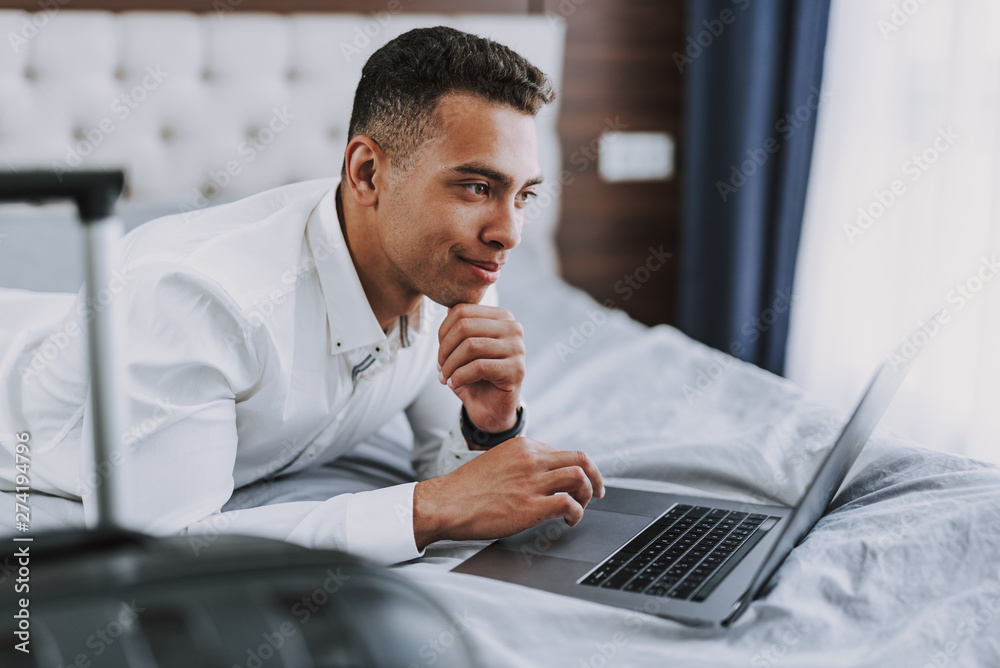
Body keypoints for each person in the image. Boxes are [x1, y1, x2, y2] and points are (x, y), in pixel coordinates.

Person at [0, 26, 604, 564]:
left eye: (523, 194)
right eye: (476, 186)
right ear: (367, 173)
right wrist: (426, 511)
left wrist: (491, 426)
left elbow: (465, 482)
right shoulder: (195, 295)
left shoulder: (458, 264)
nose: (508, 233)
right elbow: (159, 552)